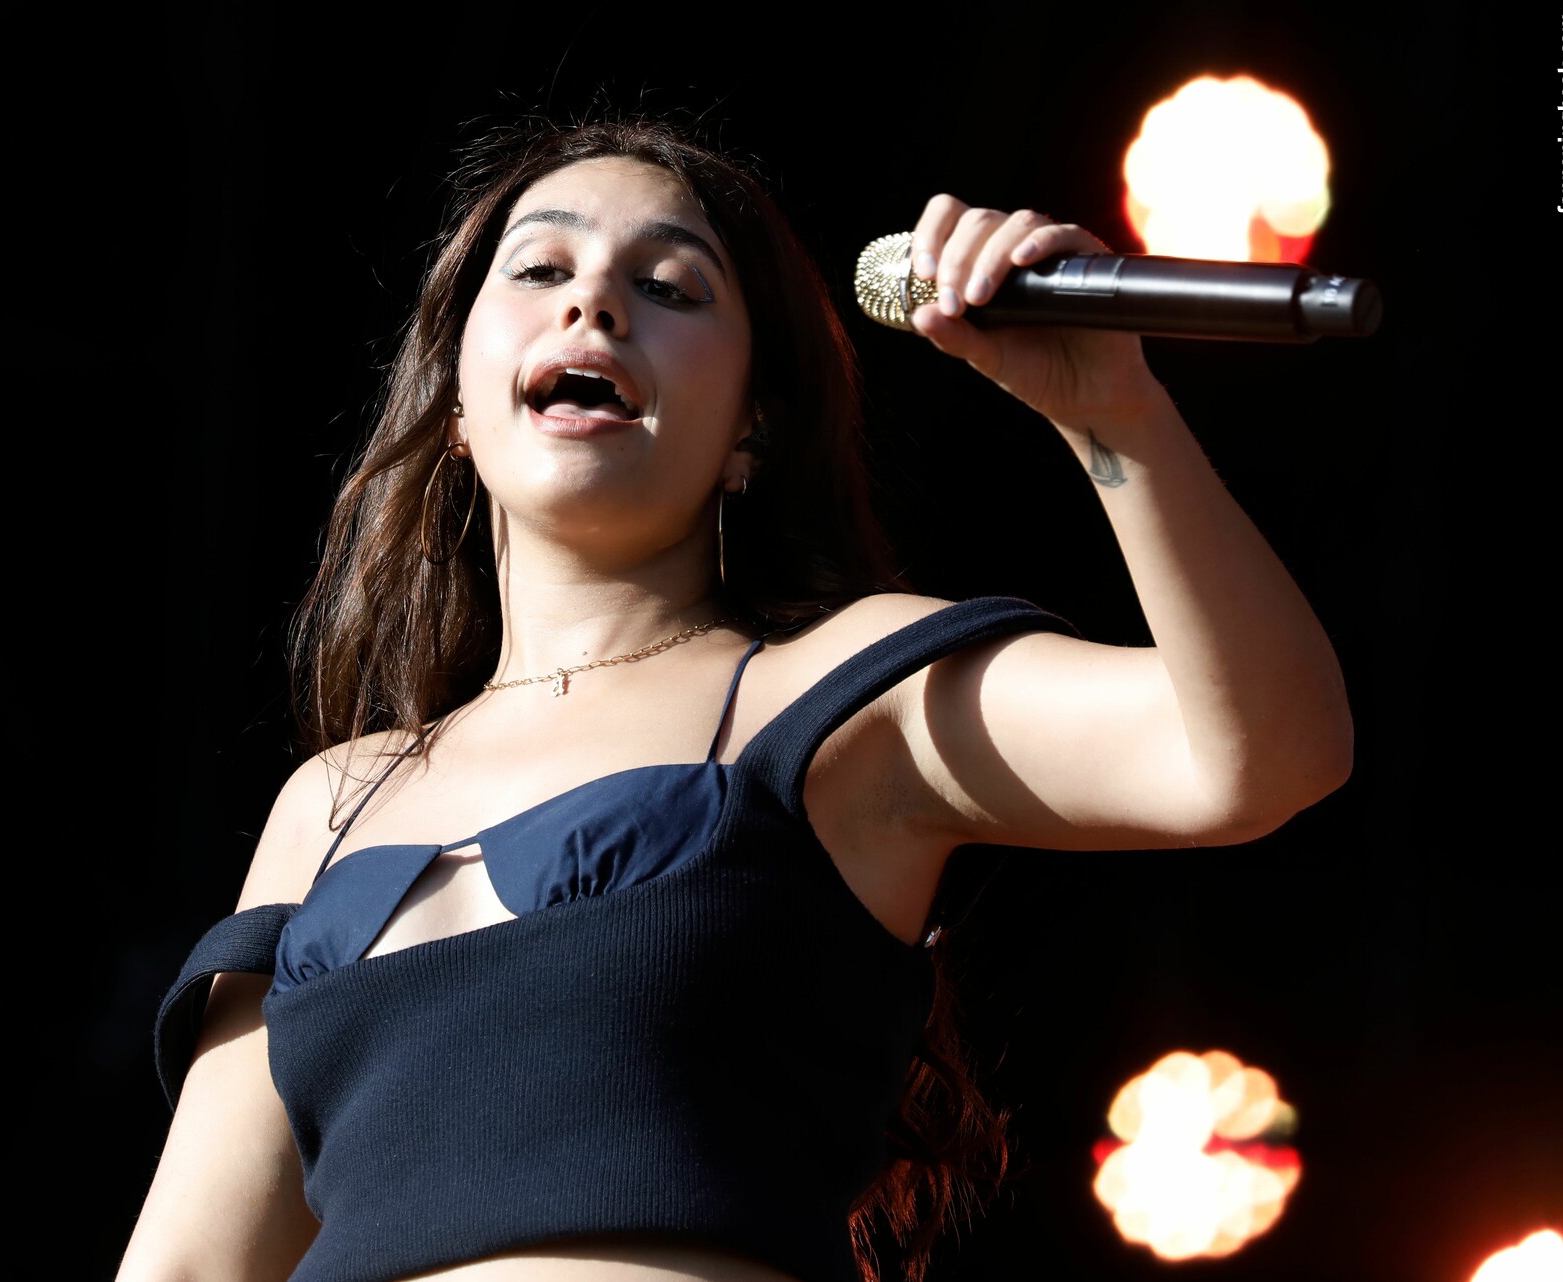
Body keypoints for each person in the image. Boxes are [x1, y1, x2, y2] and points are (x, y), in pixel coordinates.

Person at [114, 114, 1353, 1282]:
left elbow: (1264, 756)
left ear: (752, 428)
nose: (595, 301)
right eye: (540, 269)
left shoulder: (843, 696)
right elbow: (189, 1260)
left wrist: (1113, 414)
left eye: (670, 288)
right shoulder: (334, 800)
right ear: (452, 401)